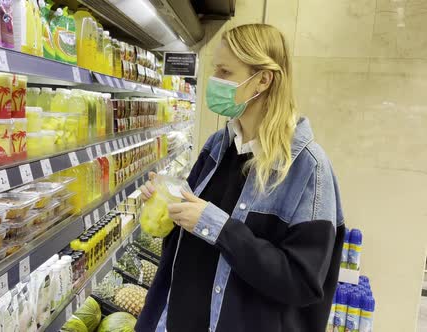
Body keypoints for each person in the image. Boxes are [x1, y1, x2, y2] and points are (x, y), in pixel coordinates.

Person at [136, 24, 345, 332]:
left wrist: (219, 228)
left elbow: (303, 283)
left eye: (224, 71)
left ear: (262, 79)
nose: (214, 81)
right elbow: (188, 235)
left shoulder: (308, 169)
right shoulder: (216, 147)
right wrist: (165, 206)